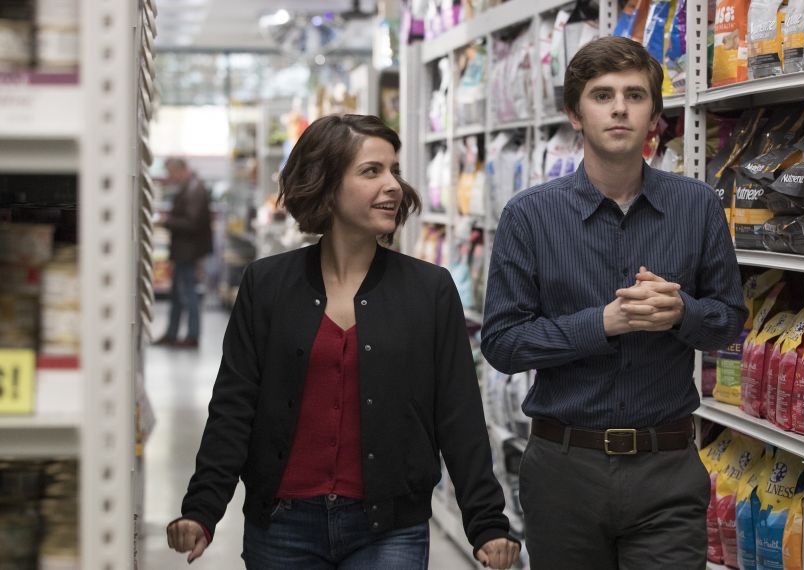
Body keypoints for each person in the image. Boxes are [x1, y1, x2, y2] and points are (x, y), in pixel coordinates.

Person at [167, 114, 520, 569]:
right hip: (282, 524)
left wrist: (486, 522)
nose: (393, 185)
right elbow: (235, 405)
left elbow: (458, 412)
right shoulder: (267, 284)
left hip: (390, 528)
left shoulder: (429, 289)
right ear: (326, 184)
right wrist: (203, 508)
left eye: (394, 170)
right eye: (372, 171)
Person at [481, 37, 747, 569]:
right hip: (563, 467)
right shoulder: (529, 216)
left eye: (635, 95)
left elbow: (729, 323)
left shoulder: (696, 206)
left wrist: (682, 314)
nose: (620, 107)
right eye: (602, 95)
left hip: (666, 466)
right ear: (575, 115)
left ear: (654, 116)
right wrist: (602, 323)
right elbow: (503, 343)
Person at [155, 157, 214, 349]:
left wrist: (166, 222)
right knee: (177, 294)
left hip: (188, 251)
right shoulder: (190, 186)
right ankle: (172, 334)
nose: (169, 178)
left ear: (180, 170)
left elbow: (192, 222)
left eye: (170, 173)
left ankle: (192, 336)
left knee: (188, 294)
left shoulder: (194, 189)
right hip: (184, 250)